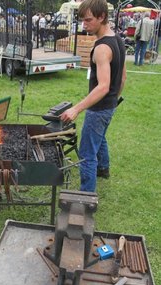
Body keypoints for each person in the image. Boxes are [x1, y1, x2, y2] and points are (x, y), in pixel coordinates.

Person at [60, 0, 126, 193]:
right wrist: (113, 102)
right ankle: (103, 169)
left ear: (101, 17)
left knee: (87, 154)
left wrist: (76, 109)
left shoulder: (102, 48)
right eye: (82, 20)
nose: (84, 25)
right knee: (101, 137)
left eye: (88, 20)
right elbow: (122, 78)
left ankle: (86, 196)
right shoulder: (118, 40)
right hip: (109, 106)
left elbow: (103, 86)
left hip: (98, 110)